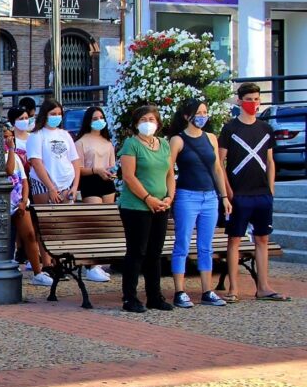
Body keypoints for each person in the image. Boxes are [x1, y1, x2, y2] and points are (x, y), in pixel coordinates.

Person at [218, 82, 290, 302]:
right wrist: (228, 190)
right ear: (240, 101)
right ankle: (233, 288)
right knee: (235, 240)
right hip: (239, 193)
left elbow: (269, 160)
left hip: (261, 194)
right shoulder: (230, 128)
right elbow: (220, 162)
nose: (254, 103)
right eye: (249, 99)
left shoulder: (265, 129)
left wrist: (271, 189)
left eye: (257, 99)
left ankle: (263, 287)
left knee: (262, 240)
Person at [167, 99, 230, 308]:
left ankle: (207, 290)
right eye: (198, 112)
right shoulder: (177, 140)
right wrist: (169, 195)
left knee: (206, 246)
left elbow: (217, 169)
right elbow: (169, 170)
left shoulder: (211, 138)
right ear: (187, 116)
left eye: (205, 112)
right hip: (187, 196)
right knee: (182, 243)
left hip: (210, 197)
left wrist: (224, 196)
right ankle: (179, 290)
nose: (202, 116)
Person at [117, 105, 174, 313]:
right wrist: (148, 198)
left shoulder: (164, 145)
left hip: (160, 205)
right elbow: (128, 176)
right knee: (136, 251)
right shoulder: (131, 145)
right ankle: (129, 298)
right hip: (136, 206)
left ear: (158, 123)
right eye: (143, 119)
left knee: (155, 253)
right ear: (136, 123)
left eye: (151, 119)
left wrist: (169, 197)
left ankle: (154, 296)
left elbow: (169, 174)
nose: (147, 123)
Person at [74, 106, 116, 283]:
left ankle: (98, 262)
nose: (98, 120)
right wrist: (95, 170)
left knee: (105, 221)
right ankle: (90, 264)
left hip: (106, 181)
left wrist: (110, 172)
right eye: (94, 118)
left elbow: (112, 163)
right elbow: (78, 168)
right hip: (90, 180)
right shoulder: (81, 142)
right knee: (94, 220)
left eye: (101, 117)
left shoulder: (107, 142)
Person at [3, 126, 48, 286]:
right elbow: (8, 170)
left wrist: (24, 200)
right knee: (6, 238)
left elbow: (23, 179)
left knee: (29, 235)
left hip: (19, 202)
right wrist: (10, 150)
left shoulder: (15, 156)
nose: (8, 140)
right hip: (4, 203)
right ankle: (6, 268)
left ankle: (38, 272)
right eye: (4, 137)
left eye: (10, 137)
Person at [26, 99, 81, 206]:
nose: (56, 116)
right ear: (45, 115)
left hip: (66, 183)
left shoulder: (65, 134)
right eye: (53, 114)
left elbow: (75, 160)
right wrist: (51, 188)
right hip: (43, 184)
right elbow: (37, 163)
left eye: (59, 114)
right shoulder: (36, 135)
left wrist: (75, 186)